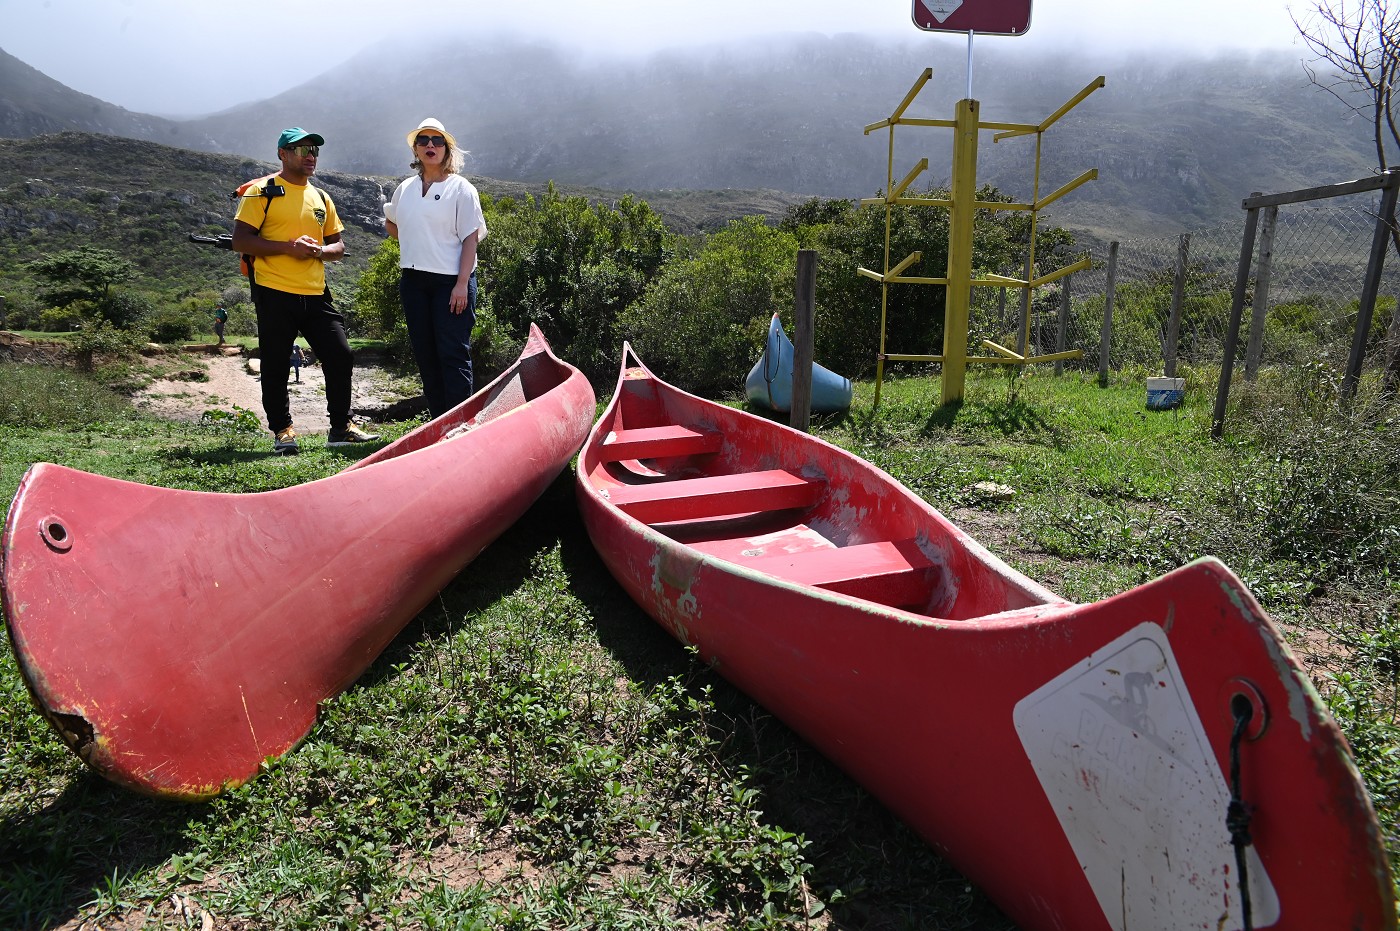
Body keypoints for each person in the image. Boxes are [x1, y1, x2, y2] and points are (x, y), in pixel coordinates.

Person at [231, 127, 379, 454]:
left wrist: (319, 252)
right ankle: (282, 432)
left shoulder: (322, 197)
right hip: (273, 291)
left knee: (340, 354)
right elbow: (240, 240)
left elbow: (338, 245)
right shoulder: (262, 192)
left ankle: (341, 427)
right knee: (276, 363)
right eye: (301, 149)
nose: (310, 155)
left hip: (315, 292)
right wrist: (289, 247)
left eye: (314, 150)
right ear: (282, 154)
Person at [383, 117, 488, 420]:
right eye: (423, 140)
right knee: (426, 355)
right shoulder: (405, 188)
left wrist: (461, 284)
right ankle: (439, 422)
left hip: (451, 283)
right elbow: (393, 222)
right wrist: (417, 239)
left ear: (446, 148)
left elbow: (471, 238)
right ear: (416, 149)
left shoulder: (461, 189)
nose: (430, 145)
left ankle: (460, 424)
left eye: (437, 140)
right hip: (414, 281)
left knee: (452, 354)